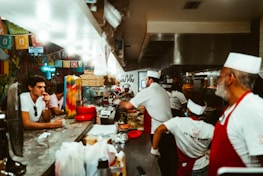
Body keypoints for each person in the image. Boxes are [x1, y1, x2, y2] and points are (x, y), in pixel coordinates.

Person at [208, 52, 263, 176]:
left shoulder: (252, 108)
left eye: (221, 76)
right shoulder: (233, 108)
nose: (218, 80)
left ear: (230, 78)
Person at [114, 70, 176, 176]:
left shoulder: (149, 91)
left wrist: (118, 102)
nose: (145, 81)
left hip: (158, 132)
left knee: (161, 161)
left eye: (146, 79)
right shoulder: (162, 90)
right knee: (167, 161)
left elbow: (128, 106)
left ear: (150, 80)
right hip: (169, 129)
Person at [151, 91, 215, 176]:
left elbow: (158, 130)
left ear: (188, 110)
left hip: (185, 165)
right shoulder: (211, 128)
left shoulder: (177, 122)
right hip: (204, 166)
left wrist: (154, 150)